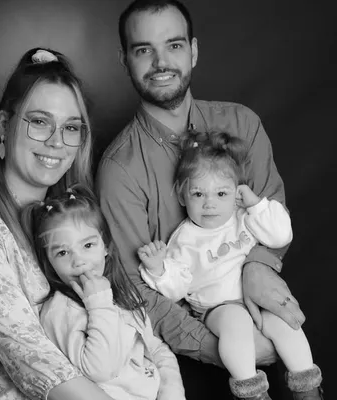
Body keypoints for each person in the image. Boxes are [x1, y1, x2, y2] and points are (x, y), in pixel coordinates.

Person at [96, 0, 305, 369]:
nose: (161, 62)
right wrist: (223, 349)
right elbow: (134, 286)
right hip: (187, 352)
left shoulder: (242, 124)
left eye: (174, 45)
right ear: (124, 59)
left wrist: (257, 267)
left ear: (192, 51)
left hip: (268, 308)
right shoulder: (118, 170)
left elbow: (271, 208)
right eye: (144, 50)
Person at [0, 48, 116, 399]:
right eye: (39, 122)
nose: (56, 141)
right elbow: (42, 367)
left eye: (70, 127)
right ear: (5, 126)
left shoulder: (70, 222)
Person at [138, 131, 323, 400]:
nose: (209, 203)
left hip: (257, 300)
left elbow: (281, 235)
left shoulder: (244, 218)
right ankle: (251, 392)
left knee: (285, 322)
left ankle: (308, 388)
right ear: (182, 196)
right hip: (217, 307)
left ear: (236, 193)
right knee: (236, 323)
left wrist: (256, 205)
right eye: (198, 194)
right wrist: (158, 269)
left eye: (221, 193)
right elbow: (176, 288)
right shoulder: (185, 240)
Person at [20, 183, 186, 400]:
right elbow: (101, 370)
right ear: (50, 263)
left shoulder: (122, 293)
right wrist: (98, 303)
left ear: (105, 245)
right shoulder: (60, 313)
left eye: (88, 246)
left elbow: (154, 348)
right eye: (62, 253)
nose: (78, 261)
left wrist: (172, 393)